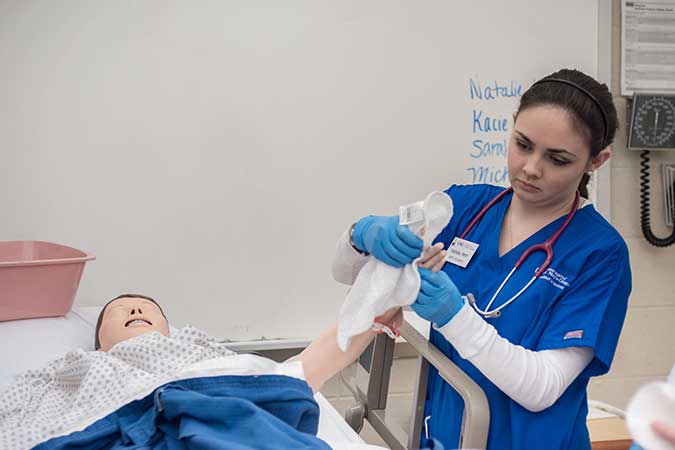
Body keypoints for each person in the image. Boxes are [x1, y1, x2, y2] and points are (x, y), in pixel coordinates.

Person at [333, 68, 632, 450]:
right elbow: (346, 273)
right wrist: (361, 235)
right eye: (523, 144)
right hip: (446, 436)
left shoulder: (599, 254)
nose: (530, 168)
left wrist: (454, 316)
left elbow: (542, 387)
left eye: (557, 159)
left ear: (597, 161)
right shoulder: (465, 208)